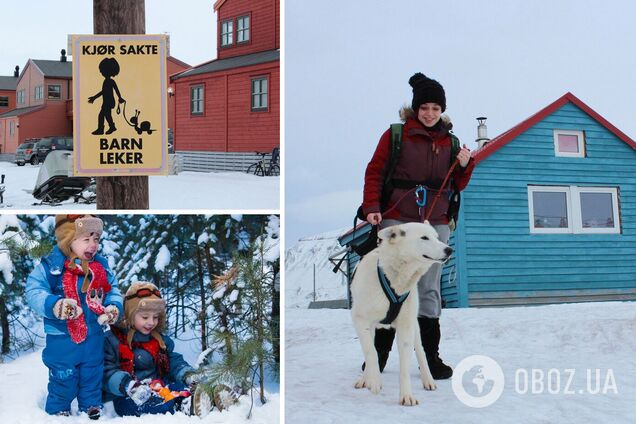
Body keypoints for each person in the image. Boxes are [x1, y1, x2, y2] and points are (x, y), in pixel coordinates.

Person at [361, 73, 475, 379]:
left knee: (428, 288)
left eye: (435, 108)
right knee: (390, 285)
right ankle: (380, 354)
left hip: (435, 221)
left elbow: (458, 183)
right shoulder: (396, 135)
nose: (430, 113)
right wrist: (372, 207)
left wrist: (465, 165)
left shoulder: (450, 141)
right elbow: (374, 172)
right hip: (398, 218)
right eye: (424, 107)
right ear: (415, 108)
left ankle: (430, 358)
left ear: (442, 110)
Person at [25, 215, 123, 419]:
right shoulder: (52, 267)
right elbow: (33, 291)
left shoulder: (101, 268)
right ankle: (58, 409)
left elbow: (112, 290)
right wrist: (55, 305)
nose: (93, 244)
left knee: (92, 372)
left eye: (96, 239)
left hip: (94, 336)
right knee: (63, 376)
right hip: (63, 338)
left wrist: (113, 307)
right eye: (86, 239)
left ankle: (91, 407)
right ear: (69, 240)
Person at [103, 281, 200, 417]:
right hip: (129, 394)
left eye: (155, 317)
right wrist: (127, 385)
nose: (151, 322)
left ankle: (201, 398)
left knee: (180, 387)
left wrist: (186, 374)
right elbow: (107, 371)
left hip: (160, 386)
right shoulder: (114, 340)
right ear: (130, 315)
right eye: (145, 317)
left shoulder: (159, 340)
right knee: (143, 405)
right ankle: (182, 405)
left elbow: (173, 361)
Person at [88, 57, 125, 135]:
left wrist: (120, 98)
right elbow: (103, 92)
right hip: (107, 101)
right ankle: (111, 127)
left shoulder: (110, 81)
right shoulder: (107, 81)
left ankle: (102, 129)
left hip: (109, 102)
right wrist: (94, 97)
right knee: (107, 115)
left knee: (102, 115)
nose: (101, 72)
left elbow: (116, 90)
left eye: (102, 71)